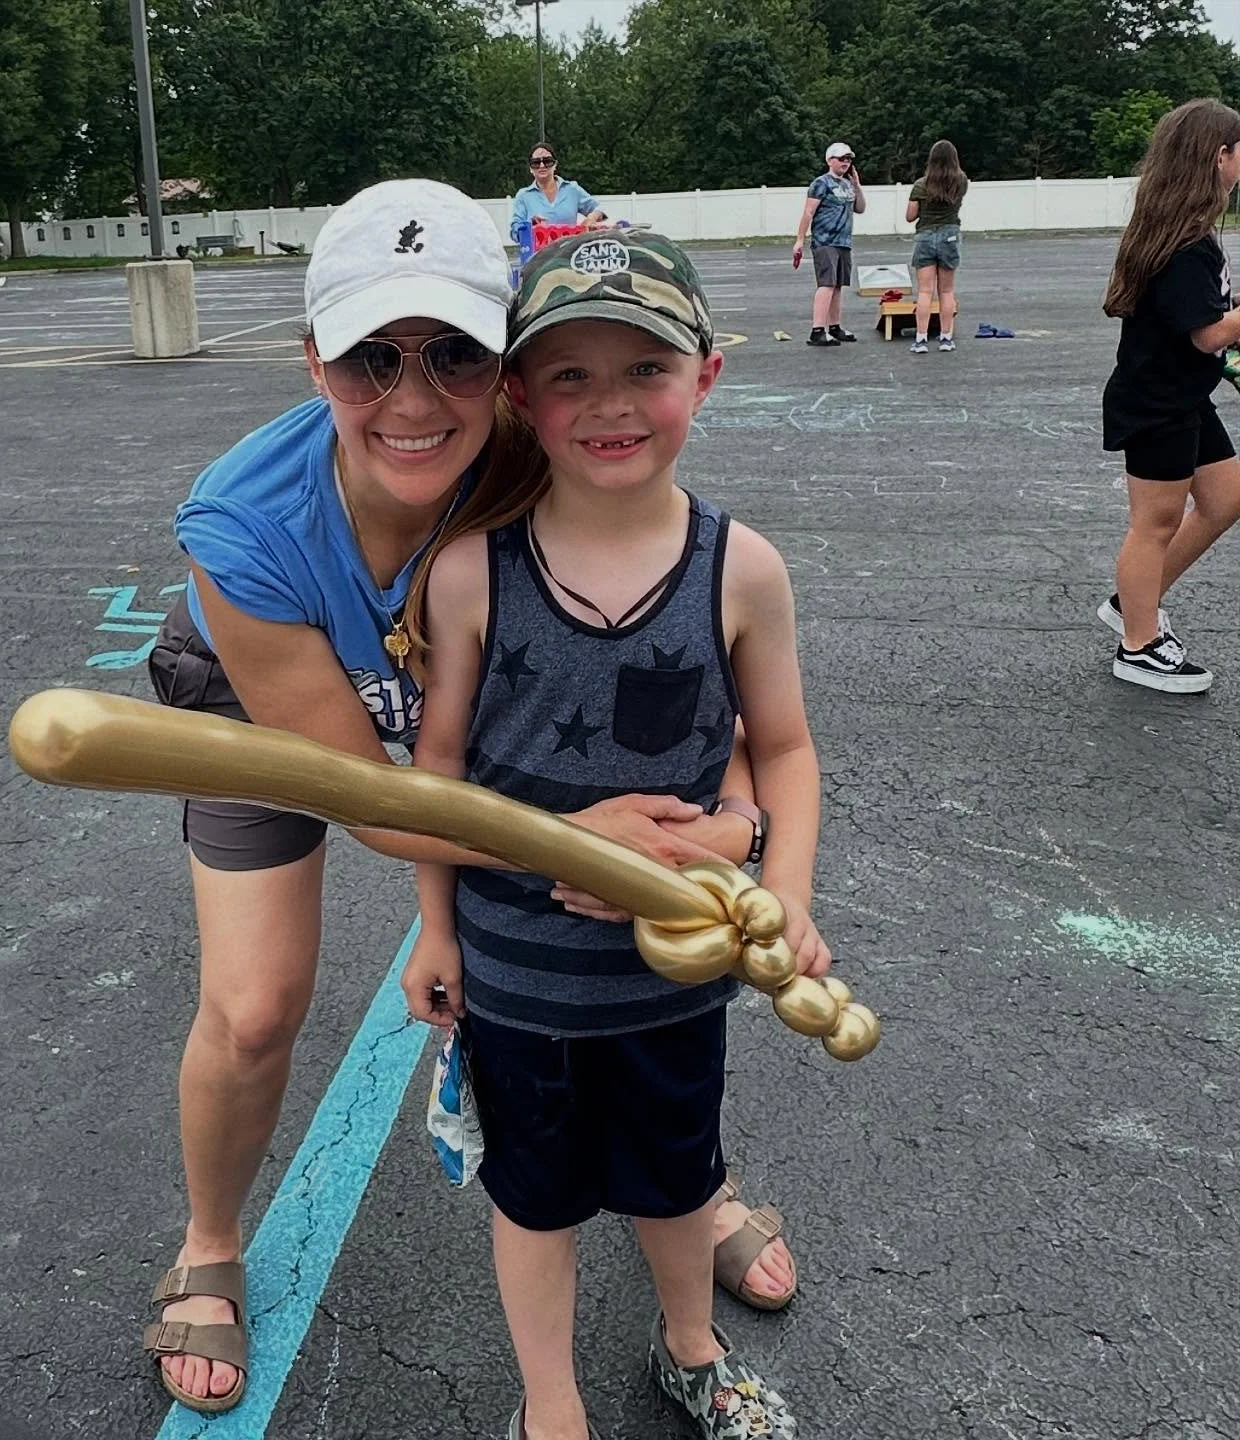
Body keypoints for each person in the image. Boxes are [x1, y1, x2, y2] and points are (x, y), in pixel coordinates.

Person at [139, 179, 791, 1414]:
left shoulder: (553, 440)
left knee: (640, 973)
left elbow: (713, 684)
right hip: (273, 716)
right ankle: (210, 1242)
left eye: (453, 353)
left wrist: (736, 823)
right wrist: (565, 839)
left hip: (463, 721)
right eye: (368, 359)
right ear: (311, 361)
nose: (414, 396)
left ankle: (686, 1181)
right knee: (256, 1001)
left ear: (509, 361)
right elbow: (375, 800)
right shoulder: (245, 530)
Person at [401, 231, 829, 1440]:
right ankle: (552, 1404)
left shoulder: (740, 570)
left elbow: (785, 749)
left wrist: (781, 887)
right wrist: (433, 928)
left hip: (673, 980)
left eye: (645, 365)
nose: (610, 404)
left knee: (679, 1176)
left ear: (708, 373)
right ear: (522, 400)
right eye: (571, 375)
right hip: (520, 981)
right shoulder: (474, 572)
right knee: (533, 1201)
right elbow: (436, 778)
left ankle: (691, 1348)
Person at [1100, 97, 1240, 694]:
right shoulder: (1184, 242)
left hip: (1183, 393)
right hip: (1158, 401)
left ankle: (1134, 600)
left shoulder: (1188, 229)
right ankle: (1138, 644)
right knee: (1154, 524)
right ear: (1219, 156)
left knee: (1227, 497)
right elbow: (1208, 331)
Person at [793, 141, 866, 346]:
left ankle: (835, 326)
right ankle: (817, 330)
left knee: (838, 286)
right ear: (830, 160)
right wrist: (800, 239)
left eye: (849, 159)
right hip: (825, 241)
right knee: (826, 284)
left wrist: (857, 186)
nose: (846, 162)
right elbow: (808, 212)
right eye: (842, 158)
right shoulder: (821, 183)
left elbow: (860, 208)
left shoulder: (847, 185)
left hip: (844, 242)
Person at [906, 140, 968, 355]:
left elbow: (910, 216)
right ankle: (946, 338)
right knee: (947, 290)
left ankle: (921, 339)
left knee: (925, 291)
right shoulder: (961, 182)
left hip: (925, 236)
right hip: (950, 235)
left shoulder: (921, 185)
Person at [510, 142, 607, 248]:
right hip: (538, 258)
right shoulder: (523, 196)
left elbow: (599, 208)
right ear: (530, 168)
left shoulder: (571, 189)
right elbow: (514, 231)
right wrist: (530, 225)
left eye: (547, 161)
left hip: (568, 255)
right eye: (536, 163)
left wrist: (592, 217)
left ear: (555, 164)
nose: (542, 165)